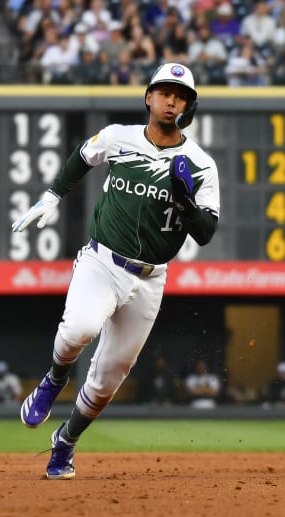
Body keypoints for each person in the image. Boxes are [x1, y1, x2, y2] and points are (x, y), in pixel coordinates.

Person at [12, 62, 220, 479]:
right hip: (103, 261)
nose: (170, 100)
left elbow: (206, 233)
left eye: (180, 96)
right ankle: (54, 380)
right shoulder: (118, 137)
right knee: (78, 331)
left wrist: (186, 202)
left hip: (150, 279)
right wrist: (52, 195)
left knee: (107, 382)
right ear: (149, 97)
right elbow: (82, 157)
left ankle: (64, 444)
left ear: (189, 106)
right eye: (164, 92)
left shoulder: (200, 165)